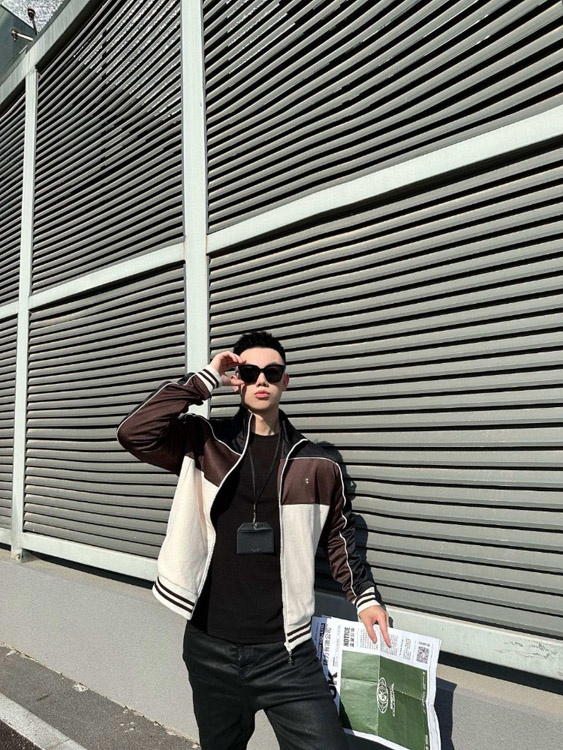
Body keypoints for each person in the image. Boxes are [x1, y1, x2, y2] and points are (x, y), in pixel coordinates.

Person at [117, 329, 390, 750]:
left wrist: (365, 598)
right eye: (249, 372)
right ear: (237, 380)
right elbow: (135, 432)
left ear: (285, 381)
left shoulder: (318, 463)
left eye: (272, 372)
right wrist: (206, 377)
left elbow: (339, 537)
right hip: (210, 647)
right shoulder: (204, 441)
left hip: (287, 652)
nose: (262, 380)